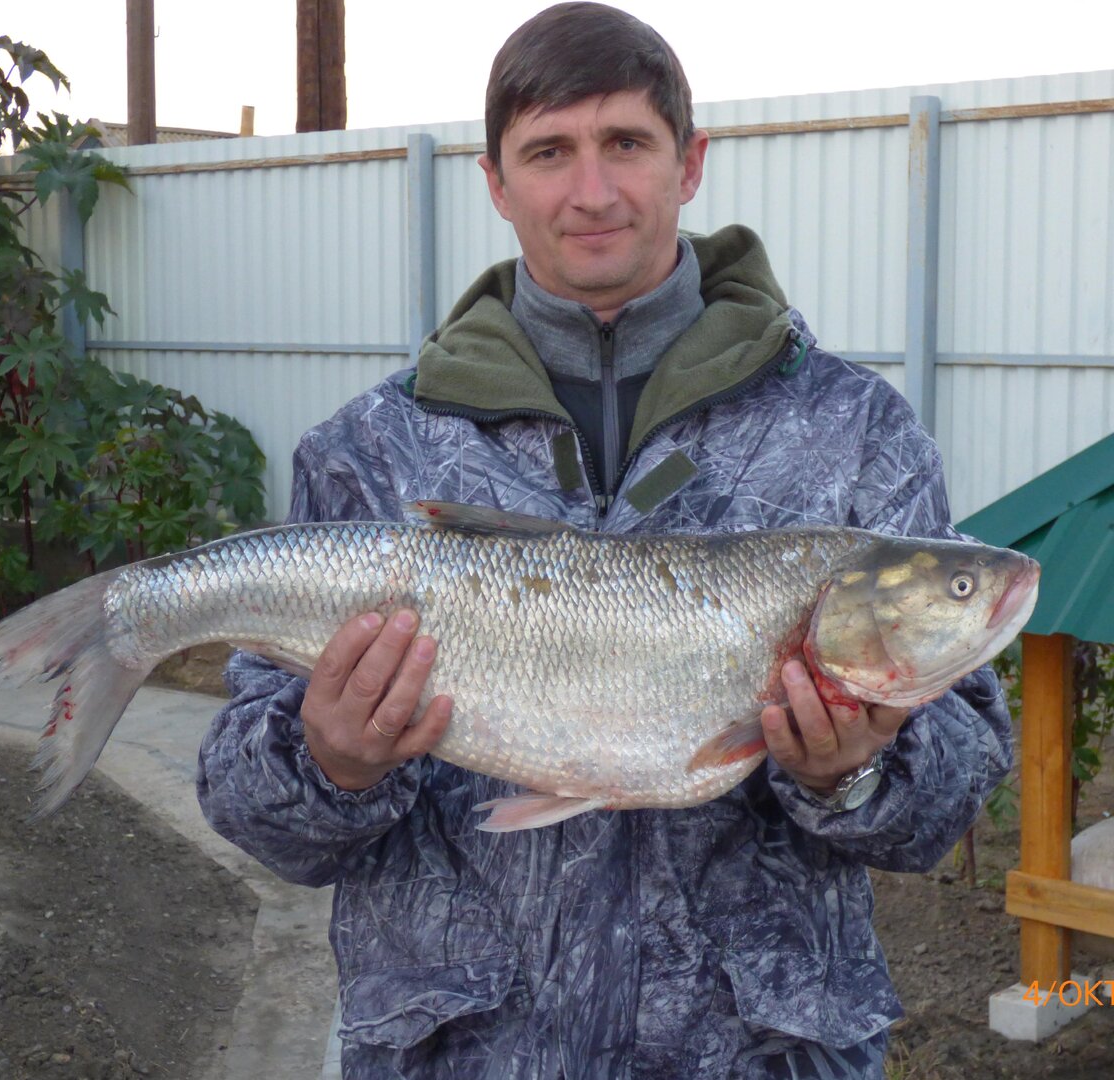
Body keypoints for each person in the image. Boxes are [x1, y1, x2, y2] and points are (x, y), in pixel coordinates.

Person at [197, 4, 1012, 1077]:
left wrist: (857, 776)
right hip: (461, 1054)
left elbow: (958, 788)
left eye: (627, 142)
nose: (592, 192)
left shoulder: (853, 432)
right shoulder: (371, 453)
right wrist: (330, 763)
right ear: (495, 182)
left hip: (764, 1055)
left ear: (691, 162)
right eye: (549, 153)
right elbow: (258, 818)